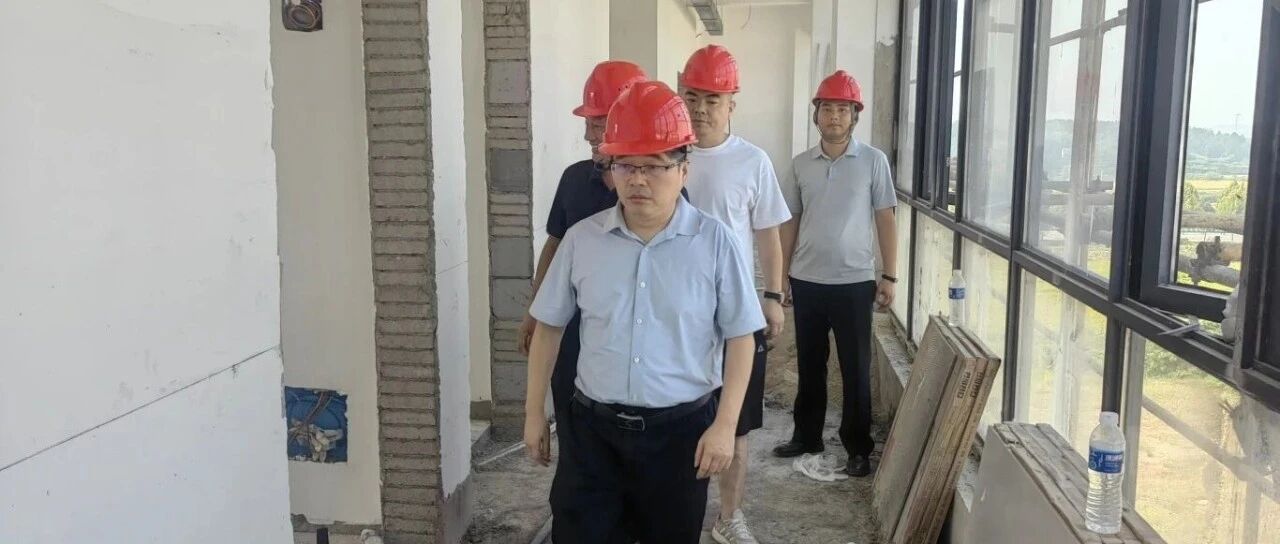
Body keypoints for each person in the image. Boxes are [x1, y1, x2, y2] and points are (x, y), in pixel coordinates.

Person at [523, 80, 764, 543]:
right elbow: (549, 328)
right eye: (625, 165)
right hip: (593, 435)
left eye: (653, 166)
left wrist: (725, 425)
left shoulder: (715, 244)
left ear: (684, 170)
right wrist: (535, 412)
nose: (637, 179)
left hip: (679, 436)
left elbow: (741, 338)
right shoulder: (582, 241)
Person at [679, 44, 791, 544]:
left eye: (712, 99)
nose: (700, 109)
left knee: (736, 427)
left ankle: (728, 517)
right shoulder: (668, 155)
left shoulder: (752, 161)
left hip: (735, 316)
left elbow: (768, 234)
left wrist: (773, 296)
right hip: (676, 316)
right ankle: (672, 518)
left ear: (731, 104)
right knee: (677, 420)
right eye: (692, 97)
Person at [774, 70, 898, 478]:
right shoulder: (800, 165)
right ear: (817, 115)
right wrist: (781, 278)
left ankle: (858, 447)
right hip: (807, 279)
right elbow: (790, 221)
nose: (834, 117)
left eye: (843, 109)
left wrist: (890, 275)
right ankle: (806, 436)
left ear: (854, 116)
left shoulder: (873, 162)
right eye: (827, 108)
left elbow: (885, 217)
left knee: (855, 369)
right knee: (810, 365)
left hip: (854, 282)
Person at [516, 60, 647, 408]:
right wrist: (535, 310)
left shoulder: (660, 194)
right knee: (571, 411)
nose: (589, 135)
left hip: (631, 338)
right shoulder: (574, 179)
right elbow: (555, 245)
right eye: (588, 124)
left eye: (598, 124)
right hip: (571, 328)